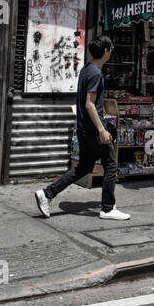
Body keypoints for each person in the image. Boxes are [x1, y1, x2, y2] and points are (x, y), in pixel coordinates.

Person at [34, 35, 130, 221]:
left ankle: (47, 194)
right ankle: (108, 208)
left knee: (83, 167)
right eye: (110, 49)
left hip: (83, 128)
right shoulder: (96, 73)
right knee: (111, 164)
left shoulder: (87, 69)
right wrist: (102, 130)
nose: (111, 52)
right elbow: (89, 104)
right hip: (93, 129)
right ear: (106, 51)